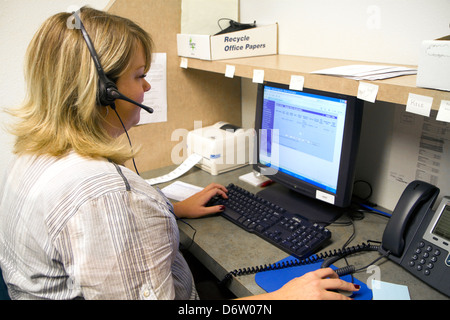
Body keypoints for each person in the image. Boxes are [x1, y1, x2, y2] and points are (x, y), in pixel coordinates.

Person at [0, 7, 359, 300]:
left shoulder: (35, 154)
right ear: (103, 91)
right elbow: (102, 211)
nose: (147, 86)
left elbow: (80, 228)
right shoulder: (107, 197)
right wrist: (280, 300)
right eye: (139, 75)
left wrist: (168, 207)